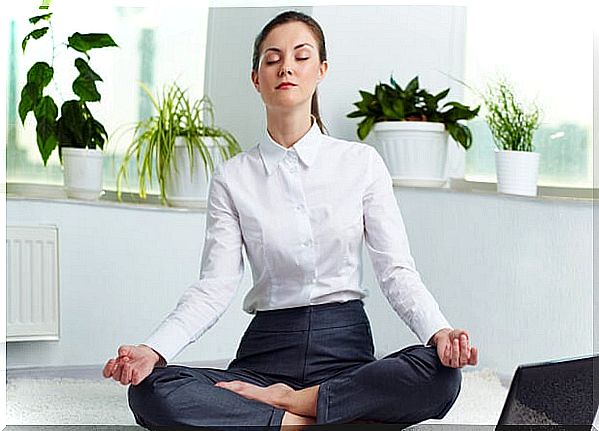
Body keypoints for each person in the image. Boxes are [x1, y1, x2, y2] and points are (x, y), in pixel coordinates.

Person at [102, 10, 478, 430]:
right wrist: (153, 350)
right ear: (256, 78)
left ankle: (289, 405)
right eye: (272, 58)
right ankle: (315, 419)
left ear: (321, 70)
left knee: (441, 375)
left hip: (346, 351)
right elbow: (214, 286)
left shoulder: (361, 164)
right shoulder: (233, 176)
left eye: (301, 56)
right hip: (264, 355)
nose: (286, 67)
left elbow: (395, 271)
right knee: (152, 392)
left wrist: (439, 332)